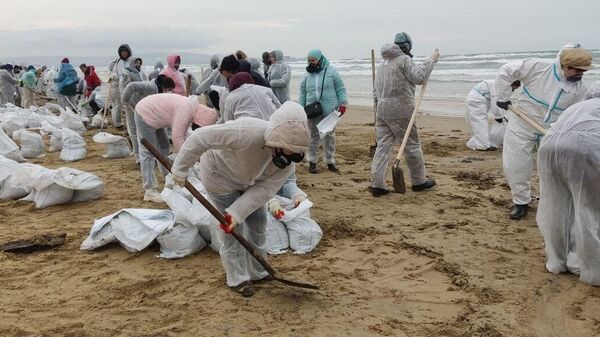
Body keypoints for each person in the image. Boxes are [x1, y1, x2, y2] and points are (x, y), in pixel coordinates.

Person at [170, 101, 310, 297]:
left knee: (258, 221)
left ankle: (259, 271)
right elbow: (201, 137)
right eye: (284, 150)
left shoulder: (288, 163)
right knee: (233, 231)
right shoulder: (246, 131)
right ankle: (237, 278)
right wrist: (180, 168)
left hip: (251, 182)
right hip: (219, 176)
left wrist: (237, 212)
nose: (287, 157)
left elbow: (265, 190)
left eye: (293, 153)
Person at [494, 44, 592, 220]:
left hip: (552, 131)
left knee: (552, 169)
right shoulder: (539, 67)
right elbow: (506, 70)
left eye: (583, 72)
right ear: (565, 66)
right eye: (577, 70)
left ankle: (552, 204)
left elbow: (578, 114)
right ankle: (521, 202)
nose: (580, 74)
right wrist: (502, 96)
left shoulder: (580, 89)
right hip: (522, 122)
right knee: (515, 165)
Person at [536, 81, 600, 286]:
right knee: (589, 207)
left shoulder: (577, 107)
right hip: (585, 147)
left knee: (556, 206)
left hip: (549, 147)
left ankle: (557, 260)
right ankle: (592, 269)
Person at [369, 39, 439, 197]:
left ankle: (377, 184)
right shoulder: (404, 60)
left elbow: (375, 92)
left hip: (382, 109)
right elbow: (419, 77)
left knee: (383, 146)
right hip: (401, 109)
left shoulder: (383, 64)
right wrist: (431, 60)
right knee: (412, 145)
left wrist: (378, 110)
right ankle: (419, 181)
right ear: (407, 47)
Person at [134, 93, 218, 202]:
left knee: (164, 147)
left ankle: (168, 177)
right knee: (148, 152)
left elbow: (187, 135)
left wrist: (199, 153)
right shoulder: (186, 111)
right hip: (145, 113)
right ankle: (150, 190)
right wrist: (186, 160)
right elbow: (177, 138)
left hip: (156, 115)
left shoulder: (193, 109)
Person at [299, 49, 348, 174]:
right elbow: (303, 92)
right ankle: (312, 162)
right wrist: (301, 107)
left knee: (329, 136)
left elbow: (341, 88)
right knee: (313, 136)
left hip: (329, 109)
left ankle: (330, 161)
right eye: (309, 60)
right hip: (312, 110)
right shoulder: (307, 75)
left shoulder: (332, 71)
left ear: (320, 59)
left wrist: (343, 104)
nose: (312, 63)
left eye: (313, 60)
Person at [466, 79, 520, 150]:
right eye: (514, 88)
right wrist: (499, 116)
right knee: (480, 123)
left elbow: (500, 99)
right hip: (476, 100)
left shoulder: (502, 84)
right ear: (512, 85)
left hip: (480, 98)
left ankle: (482, 143)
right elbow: (495, 101)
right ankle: (482, 145)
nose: (514, 90)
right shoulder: (499, 86)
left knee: (478, 122)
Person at [108, 44, 133, 128]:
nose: (124, 53)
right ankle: (118, 124)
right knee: (118, 105)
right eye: (122, 52)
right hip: (118, 87)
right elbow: (121, 75)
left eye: (125, 51)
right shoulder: (120, 62)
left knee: (116, 105)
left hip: (119, 86)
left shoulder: (126, 61)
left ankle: (117, 122)